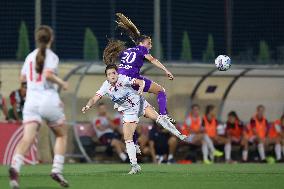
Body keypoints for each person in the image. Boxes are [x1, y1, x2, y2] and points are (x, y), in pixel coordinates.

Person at [82, 64, 186, 174]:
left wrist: (141, 87)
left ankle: (178, 134)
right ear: (106, 77)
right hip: (129, 113)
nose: (112, 75)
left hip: (140, 105)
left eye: (114, 73)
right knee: (127, 138)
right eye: (109, 74)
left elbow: (139, 82)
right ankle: (135, 166)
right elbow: (94, 98)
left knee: (158, 118)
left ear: (117, 73)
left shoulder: (123, 79)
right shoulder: (105, 86)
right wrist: (88, 106)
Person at [9, 25, 69, 189]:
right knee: (61, 134)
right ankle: (56, 169)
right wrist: (62, 83)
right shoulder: (51, 56)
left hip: (31, 101)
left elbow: (22, 78)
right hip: (48, 99)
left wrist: (30, 92)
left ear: (37, 39)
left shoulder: (29, 57)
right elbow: (48, 75)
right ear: (51, 39)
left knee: (27, 138)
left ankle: (15, 167)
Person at [103, 13, 175, 123]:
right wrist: (166, 70)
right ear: (141, 43)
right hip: (133, 79)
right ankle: (163, 115)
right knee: (161, 91)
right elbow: (153, 60)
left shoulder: (126, 51)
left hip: (121, 80)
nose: (150, 46)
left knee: (134, 111)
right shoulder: (142, 49)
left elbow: (120, 64)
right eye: (149, 43)